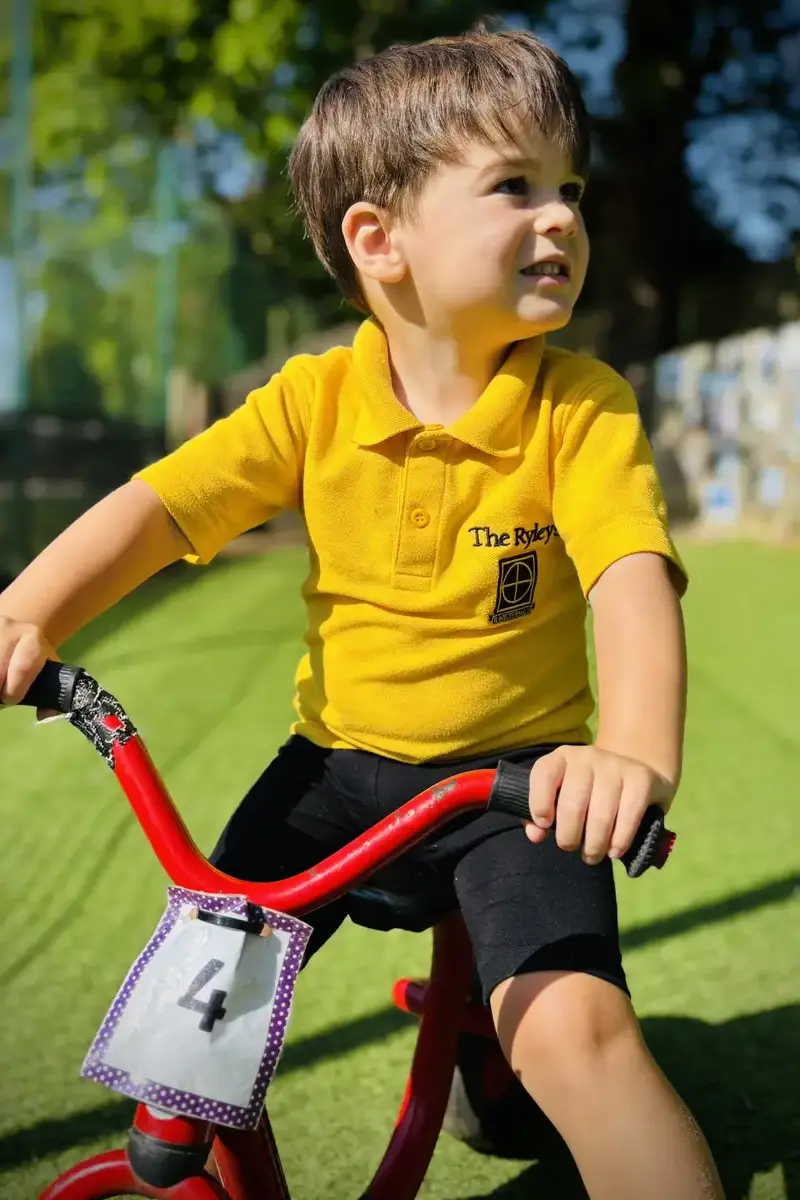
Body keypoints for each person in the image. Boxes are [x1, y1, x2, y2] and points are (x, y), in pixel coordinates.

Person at [0, 27, 723, 1199]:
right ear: (379, 241)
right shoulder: (311, 400)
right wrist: (25, 610)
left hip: (513, 792)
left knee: (573, 1035)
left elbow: (628, 577)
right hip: (333, 774)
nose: (561, 216)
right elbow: (162, 507)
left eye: (570, 189)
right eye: (514, 186)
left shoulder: (577, 408)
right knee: (187, 1020)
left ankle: (520, 1057)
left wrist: (631, 754)